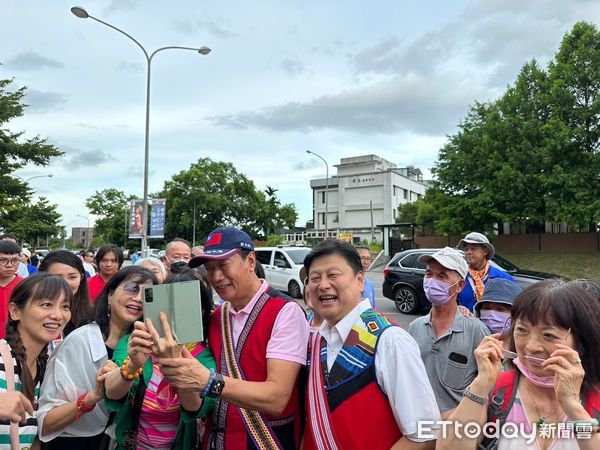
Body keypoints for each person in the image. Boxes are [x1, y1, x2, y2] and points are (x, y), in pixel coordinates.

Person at [157, 226, 310, 449]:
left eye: (224, 265)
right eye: (210, 269)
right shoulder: (217, 316)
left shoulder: (285, 312)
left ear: (250, 261)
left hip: (267, 441)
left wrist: (208, 381)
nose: (216, 277)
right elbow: (195, 399)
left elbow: (277, 398)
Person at [303, 240, 440, 449]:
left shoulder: (390, 340)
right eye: (314, 278)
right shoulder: (315, 341)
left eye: (333, 275)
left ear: (359, 281)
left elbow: (425, 433)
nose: (322, 285)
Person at [438, 279, 600, 450]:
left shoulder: (594, 397)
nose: (531, 346)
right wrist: (481, 383)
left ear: (581, 342)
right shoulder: (497, 390)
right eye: (522, 330)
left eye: (549, 335)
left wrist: (573, 407)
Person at [37, 266, 157, 449]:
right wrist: (91, 398)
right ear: (110, 294)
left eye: (148, 294)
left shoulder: (147, 347)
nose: (139, 298)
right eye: (132, 288)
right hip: (71, 443)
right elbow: (46, 422)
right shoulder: (80, 341)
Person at [104, 270, 216, 450]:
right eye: (171, 304)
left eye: (188, 305)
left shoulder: (205, 357)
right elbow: (112, 393)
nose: (178, 312)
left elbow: (194, 407)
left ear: (202, 311)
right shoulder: (136, 342)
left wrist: (173, 360)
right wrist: (133, 365)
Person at [409, 247, 490, 418]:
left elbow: (488, 388)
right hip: (415, 427)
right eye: (429, 274)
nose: (431, 282)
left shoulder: (477, 331)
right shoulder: (415, 327)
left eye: (442, 276)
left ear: (460, 285)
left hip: (454, 434)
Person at [0, 273, 72, 449]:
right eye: (47, 305)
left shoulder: (44, 368)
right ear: (15, 311)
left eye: (65, 306)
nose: (57, 315)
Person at [38, 250, 93, 336]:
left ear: (81, 278)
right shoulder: (31, 311)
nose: (65, 283)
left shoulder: (92, 316)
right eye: (56, 277)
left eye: (72, 277)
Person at [456, 232, 515, 312]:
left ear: (485, 252)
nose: (468, 252)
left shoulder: (504, 278)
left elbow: (513, 307)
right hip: (467, 323)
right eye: (466, 249)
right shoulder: (460, 278)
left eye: (473, 248)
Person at [0, 240, 24, 340]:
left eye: (15, 260)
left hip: (16, 342)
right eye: (3, 260)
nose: (9, 265)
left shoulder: (25, 285)